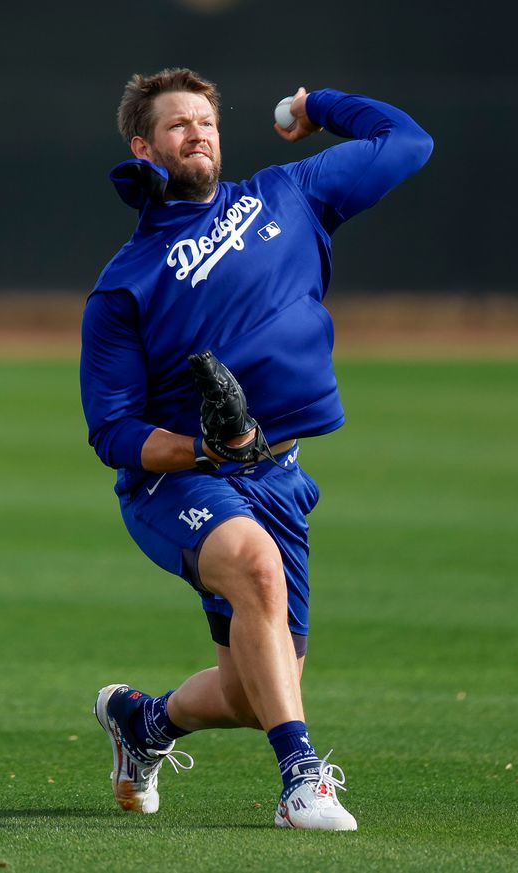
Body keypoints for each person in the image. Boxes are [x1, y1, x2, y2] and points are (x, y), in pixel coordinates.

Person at [79, 67, 432, 831]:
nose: (196, 134)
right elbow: (111, 430)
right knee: (255, 565)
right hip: (172, 486)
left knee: (251, 692)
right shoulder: (124, 286)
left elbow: (406, 141)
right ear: (145, 145)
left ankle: (143, 724)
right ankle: (302, 780)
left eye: (205, 121)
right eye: (177, 125)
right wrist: (203, 451)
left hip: (281, 476)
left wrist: (318, 106)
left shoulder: (288, 193)